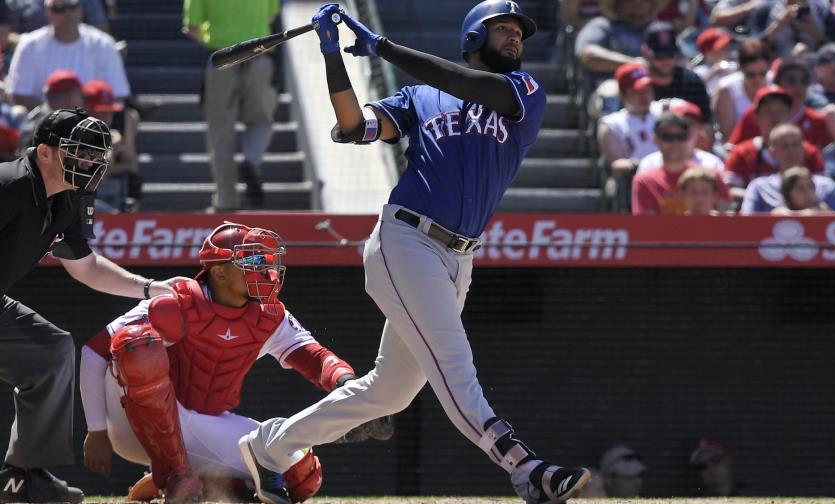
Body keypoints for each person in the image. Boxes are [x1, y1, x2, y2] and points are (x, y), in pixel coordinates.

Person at [238, 3, 591, 504]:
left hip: (459, 257)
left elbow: (474, 88)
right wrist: (332, 55)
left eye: (518, 32)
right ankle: (525, 468)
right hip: (406, 240)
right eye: (503, 30)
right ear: (473, 37)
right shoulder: (420, 96)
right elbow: (352, 127)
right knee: (454, 364)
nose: (515, 39)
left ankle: (269, 447)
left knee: (390, 391)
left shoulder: (523, 92)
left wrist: (383, 47)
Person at [79, 222, 392, 503]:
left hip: (202, 423)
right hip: (135, 426)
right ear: (219, 271)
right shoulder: (177, 300)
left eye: (266, 260)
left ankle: (207, 483)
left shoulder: (269, 314)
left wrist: (350, 389)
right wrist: (96, 430)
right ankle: (174, 477)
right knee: (136, 345)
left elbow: (315, 358)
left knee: (301, 474)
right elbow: (94, 351)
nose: (266, 269)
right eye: (253, 261)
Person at [0, 108, 182, 503]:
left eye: (94, 155)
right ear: (44, 152)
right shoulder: (9, 185)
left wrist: (151, 288)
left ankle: (23, 479)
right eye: (79, 153)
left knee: (49, 350)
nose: (90, 164)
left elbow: (86, 267)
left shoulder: (68, 199)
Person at [183, 0, 279, 211]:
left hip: (222, 59)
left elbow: (191, 27)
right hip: (260, 58)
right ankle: (251, 159)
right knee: (262, 120)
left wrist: (213, 38)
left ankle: (226, 201)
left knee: (221, 135)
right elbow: (271, 17)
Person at [5, 0, 128, 110]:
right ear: (48, 12)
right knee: (18, 112)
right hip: (43, 122)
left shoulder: (104, 44)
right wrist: (57, 115)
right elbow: (19, 96)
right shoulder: (29, 45)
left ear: (81, 9)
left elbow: (117, 95)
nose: (67, 13)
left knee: (130, 118)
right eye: (58, 8)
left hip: (92, 119)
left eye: (73, 6)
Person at [723, 86, 826, 195]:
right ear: (756, 117)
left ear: (790, 115)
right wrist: (760, 196)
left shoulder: (809, 152)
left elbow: (823, 188)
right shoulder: (741, 154)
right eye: (768, 111)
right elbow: (729, 191)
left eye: (781, 110)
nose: (775, 117)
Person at [632, 111, 730, 214]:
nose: (675, 142)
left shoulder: (712, 176)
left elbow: (724, 220)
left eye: (681, 136)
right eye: (667, 137)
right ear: (656, 140)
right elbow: (645, 226)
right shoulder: (645, 181)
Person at [741, 125, 835, 213]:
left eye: (796, 144)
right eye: (785, 146)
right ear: (772, 152)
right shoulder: (759, 187)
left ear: (804, 148)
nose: (791, 151)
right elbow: (747, 222)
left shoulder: (826, 185)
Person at [81, 79, 139, 211]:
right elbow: (91, 181)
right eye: (98, 112)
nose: (105, 117)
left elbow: (131, 167)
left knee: (133, 184)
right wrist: (109, 147)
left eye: (108, 112)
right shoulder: (74, 131)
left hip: (110, 194)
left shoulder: (123, 122)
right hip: (78, 200)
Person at [574, 0, 667, 80]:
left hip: (656, 90)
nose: (637, 2)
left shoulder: (661, 30)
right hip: (614, 89)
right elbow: (588, 56)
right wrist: (634, 64)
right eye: (629, 0)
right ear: (617, 4)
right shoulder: (602, 26)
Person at [597, 63, 660, 178]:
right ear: (622, 94)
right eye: (637, 91)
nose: (644, 95)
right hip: (636, 181)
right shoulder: (611, 124)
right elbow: (617, 164)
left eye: (648, 89)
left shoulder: (667, 109)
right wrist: (649, 166)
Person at [713, 38, 771, 140]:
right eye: (751, 75)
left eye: (763, 73)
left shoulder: (776, 82)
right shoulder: (726, 89)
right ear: (740, 69)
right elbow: (729, 136)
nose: (757, 79)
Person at [16, 69, 83, 154]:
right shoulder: (49, 126)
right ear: (68, 99)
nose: (81, 100)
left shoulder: (38, 116)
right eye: (78, 95)